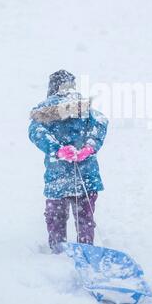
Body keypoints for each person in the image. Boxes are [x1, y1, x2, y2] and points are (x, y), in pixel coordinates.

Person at [28, 69, 108, 253]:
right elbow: (102, 122)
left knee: (55, 218)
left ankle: (58, 252)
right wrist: (89, 146)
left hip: (57, 178)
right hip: (86, 177)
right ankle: (87, 252)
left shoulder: (43, 112)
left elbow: (35, 132)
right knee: (85, 219)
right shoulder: (85, 108)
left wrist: (57, 150)